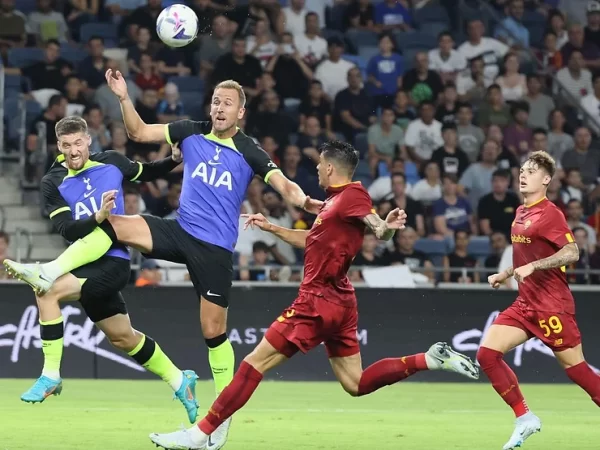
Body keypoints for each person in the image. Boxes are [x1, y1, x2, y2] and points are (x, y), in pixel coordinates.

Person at [4, 74, 321, 448]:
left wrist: (303, 202)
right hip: (179, 230)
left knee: (213, 330)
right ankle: (49, 271)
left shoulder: (248, 149)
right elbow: (138, 132)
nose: (219, 108)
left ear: (241, 112)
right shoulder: (189, 131)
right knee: (117, 223)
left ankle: (221, 419)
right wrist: (123, 97)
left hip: (214, 249)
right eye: (216, 101)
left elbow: (282, 183)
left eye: (227, 103)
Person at [148, 140, 480, 449]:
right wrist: (272, 229)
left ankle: (201, 432)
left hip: (316, 301)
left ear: (332, 169)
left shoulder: (351, 196)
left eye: (321, 164)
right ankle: (430, 358)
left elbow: (378, 230)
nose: (318, 169)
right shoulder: (334, 204)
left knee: (253, 364)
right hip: (341, 301)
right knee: (355, 383)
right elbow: (313, 242)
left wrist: (387, 225)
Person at [3, 116, 198, 422]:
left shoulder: (111, 163)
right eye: (66, 145)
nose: (73, 151)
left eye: (78, 143)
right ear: (58, 146)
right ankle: (179, 380)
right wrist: (98, 216)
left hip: (113, 261)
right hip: (82, 262)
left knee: (46, 292)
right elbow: (67, 229)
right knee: (123, 338)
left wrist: (172, 159)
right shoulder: (53, 181)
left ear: (88, 140)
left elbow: (145, 173)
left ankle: (50, 375)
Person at [480, 151, 600, 450]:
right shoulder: (521, 212)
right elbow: (527, 255)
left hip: (551, 306)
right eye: (522, 169)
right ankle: (525, 418)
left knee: (579, 372)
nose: (524, 174)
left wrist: (534, 267)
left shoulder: (551, 213)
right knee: (486, 354)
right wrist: (505, 272)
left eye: (532, 171)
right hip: (526, 304)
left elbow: (572, 252)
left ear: (546, 179)